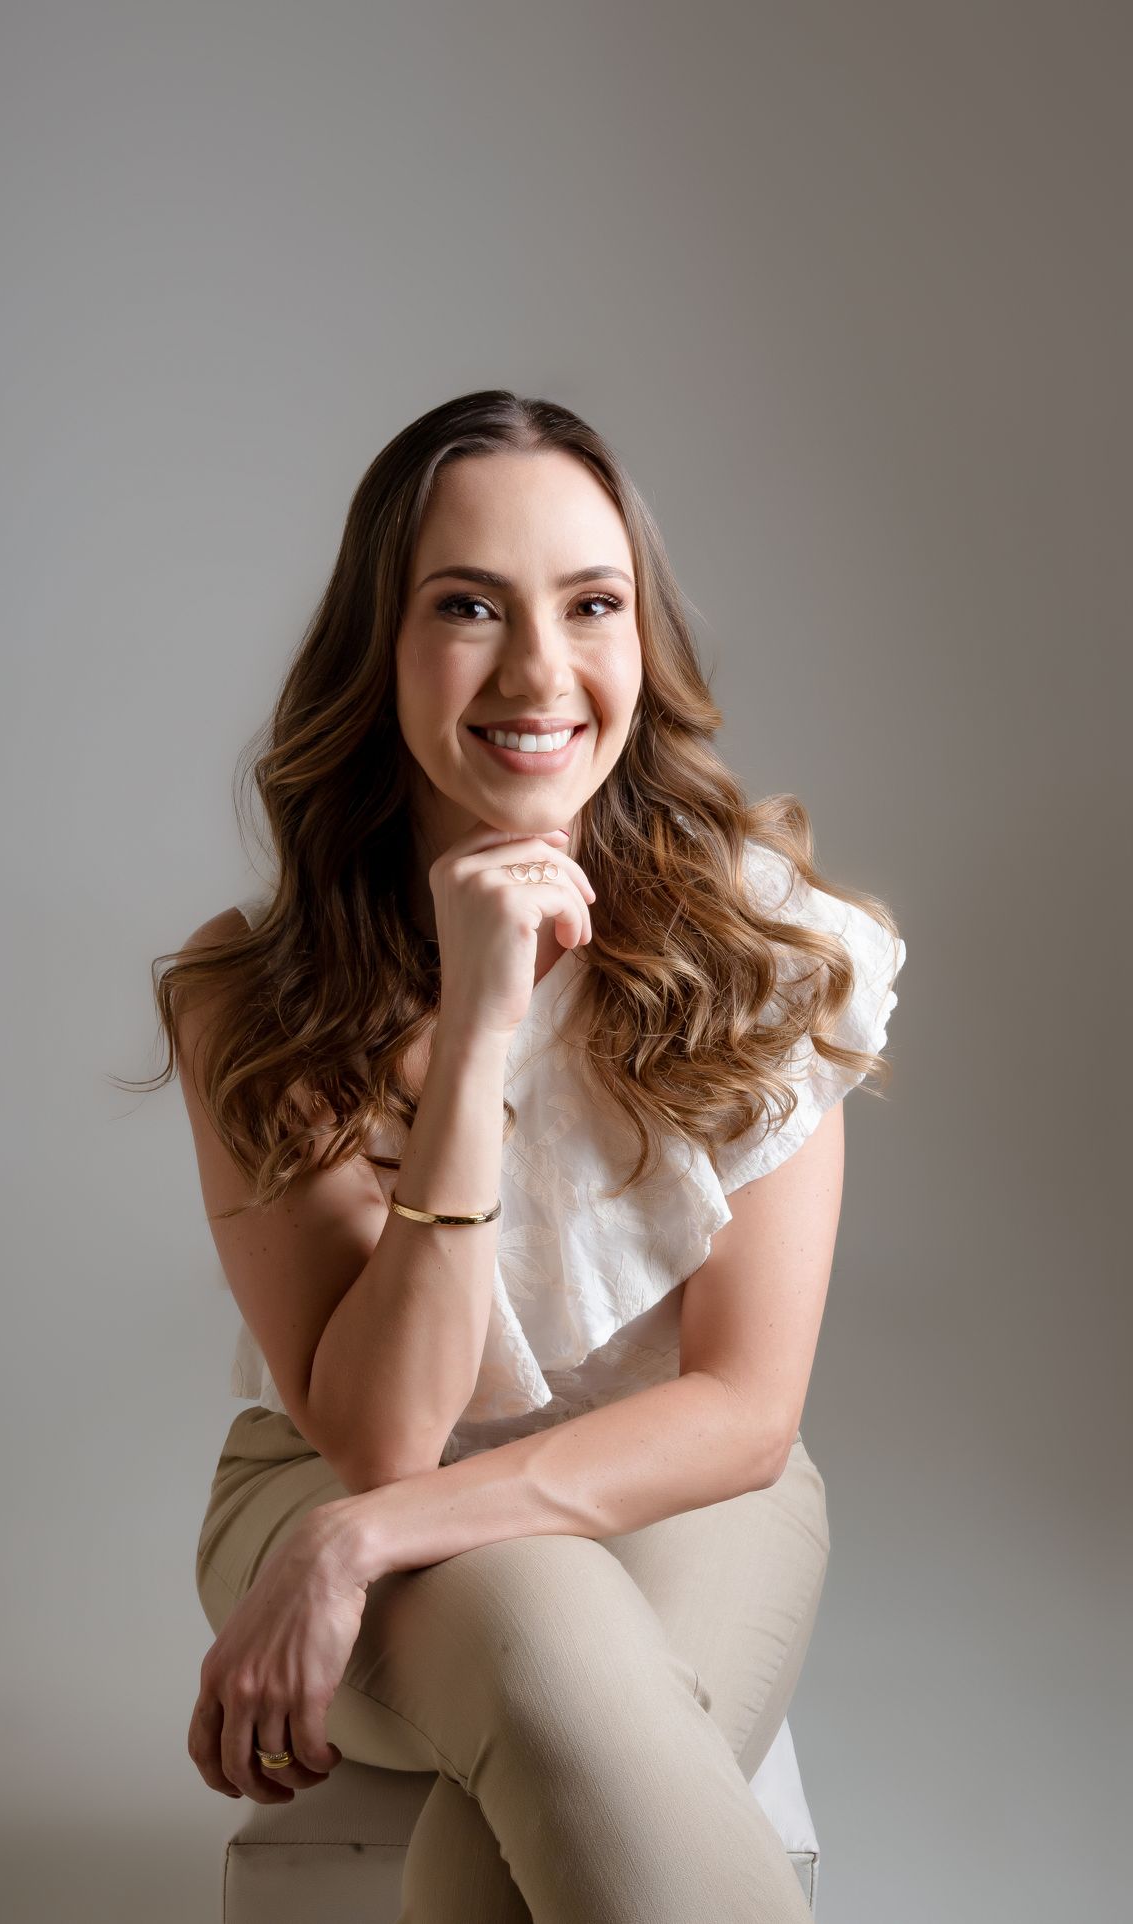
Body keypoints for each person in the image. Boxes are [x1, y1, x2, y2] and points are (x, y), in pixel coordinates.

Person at [143, 389, 906, 1922]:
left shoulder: (767, 947)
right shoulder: (252, 990)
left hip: (680, 1481)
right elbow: (382, 1437)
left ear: (644, 641)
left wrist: (357, 1545)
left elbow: (743, 1409)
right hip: (323, 1473)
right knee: (552, 1639)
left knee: (550, 1782)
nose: (540, 671)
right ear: (380, 646)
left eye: (592, 605)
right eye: (469, 606)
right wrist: (480, 1025)